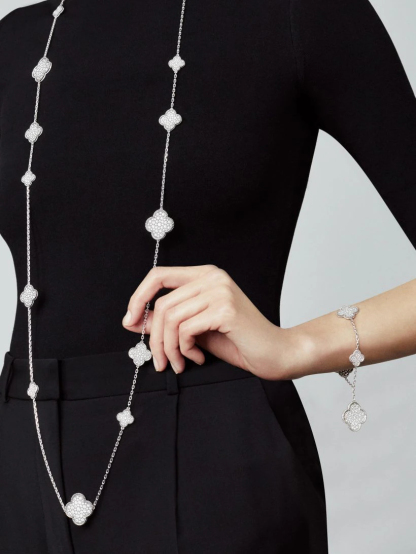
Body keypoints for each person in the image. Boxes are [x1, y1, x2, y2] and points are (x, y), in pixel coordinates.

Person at [0, 0, 415, 552]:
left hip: (212, 464)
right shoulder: (16, 41)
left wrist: (299, 346)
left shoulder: (298, 15)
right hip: (21, 461)